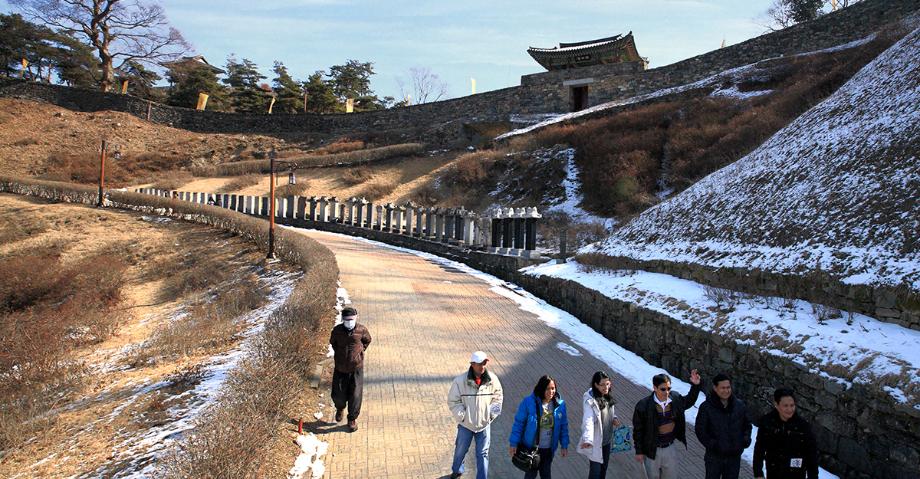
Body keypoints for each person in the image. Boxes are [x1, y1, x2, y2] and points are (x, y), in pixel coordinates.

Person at [633, 369, 702, 479]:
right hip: (651, 450)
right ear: (654, 388)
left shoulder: (675, 399)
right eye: (663, 389)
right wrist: (639, 451)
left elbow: (689, 401)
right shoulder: (643, 405)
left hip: (670, 448)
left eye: (669, 388)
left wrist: (696, 385)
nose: (666, 392)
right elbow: (638, 430)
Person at [448, 351, 504, 479]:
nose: (482, 366)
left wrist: (491, 415)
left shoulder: (493, 380)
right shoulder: (460, 381)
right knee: (460, 451)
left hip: (484, 425)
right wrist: (463, 417)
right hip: (465, 425)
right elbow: (453, 401)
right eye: (479, 364)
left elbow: (498, 398)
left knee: (483, 454)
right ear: (472, 364)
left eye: (484, 363)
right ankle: (457, 470)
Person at [508, 375, 570, 479]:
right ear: (541, 388)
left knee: (546, 475)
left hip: (548, 449)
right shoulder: (528, 402)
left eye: (553, 388)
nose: (551, 392)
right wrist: (513, 443)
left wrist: (564, 445)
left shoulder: (560, 405)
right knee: (531, 475)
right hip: (531, 449)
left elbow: (563, 426)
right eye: (547, 389)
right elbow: (519, 423)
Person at [695, 373, 753, 479]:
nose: (726, 391)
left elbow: (747, 425)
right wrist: (713, 445)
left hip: (734, 457)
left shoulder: (739, 406)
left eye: (728, 387)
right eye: (723, 388)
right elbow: (700, 431)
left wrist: (745, 439)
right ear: (715, 388)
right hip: (714, 457)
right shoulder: (706, 407)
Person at [753, 388, 819, 479]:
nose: (789, 409)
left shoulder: (803, 426)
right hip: (774, 473)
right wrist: (758, 473)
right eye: (785, 406)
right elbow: (759, 449)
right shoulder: (767, 422)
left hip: (796, 474)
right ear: (776, 405)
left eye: (792, 405)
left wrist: (813, 476)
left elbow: (812, 455)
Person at [328, 306, 371, 432]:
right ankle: (340, 408)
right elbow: (333, 343)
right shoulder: (337, 331)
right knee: (338, 395)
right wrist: (341, 355)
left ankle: (352, 418)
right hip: (340, 369)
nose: (349, 322)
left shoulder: (361, 330)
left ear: (356, 318)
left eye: (351, 319)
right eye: (347, 320)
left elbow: (367, 340)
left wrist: (360, 352)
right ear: (343, 320)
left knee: (355, 395)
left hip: (356, 369)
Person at [578, 371, 620, 479]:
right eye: (602, 384)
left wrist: (614, 418)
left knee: (603, 471)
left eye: (607, 384)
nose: (606, 387)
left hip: (607, 441)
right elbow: (588, 420)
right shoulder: (590, 401)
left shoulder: (607, 396)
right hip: (596, 442)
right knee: (595, 472)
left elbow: (609, 411)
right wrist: (587, 440)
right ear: (596, 385)